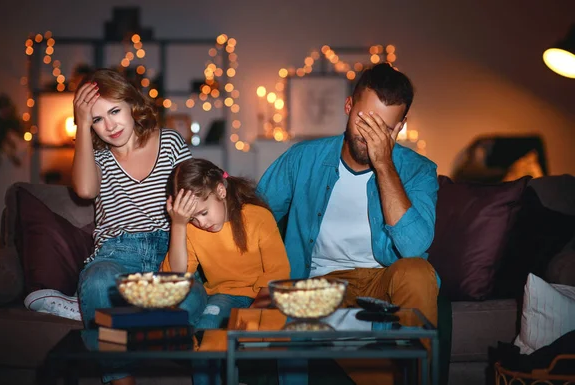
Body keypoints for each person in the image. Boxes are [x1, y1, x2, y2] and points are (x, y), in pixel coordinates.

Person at [257, 63, 440, 384]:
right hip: (321, 284)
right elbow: (256, 217)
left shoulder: (418, 170)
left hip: (384, 279)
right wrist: (261, 282)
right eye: (363, 121)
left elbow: (413, 247)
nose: (370, 136)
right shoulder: (303, 158)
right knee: (302, 307)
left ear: (400, 127)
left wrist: (384, 164)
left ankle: (415, 375)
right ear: (348, 106)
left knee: (418, 272)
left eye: (382, 127)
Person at [71, 68, 191, 385]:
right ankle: (121, 378)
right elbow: (84, 190)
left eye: (114, 111)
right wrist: (81, 124)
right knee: (98, 282)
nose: (109, 126)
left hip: (170, 247)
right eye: (97, 119)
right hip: (117, 253)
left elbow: (193, 198)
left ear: (131, 104)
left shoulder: (170, 142)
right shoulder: (95, 154)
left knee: (196, 304)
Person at [160, 158, 290, 385]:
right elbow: (174, 278)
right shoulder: (190, 228)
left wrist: (252, 316)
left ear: (220, 190)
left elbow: (277, 275)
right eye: (192, 218)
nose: (200, 223)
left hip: (258, 299)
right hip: (220, 296)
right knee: (198, 324)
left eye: (203, 212)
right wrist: (179, 225)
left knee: (208, 328)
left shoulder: (257, 217)